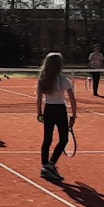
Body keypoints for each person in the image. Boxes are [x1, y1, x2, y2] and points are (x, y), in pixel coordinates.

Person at [35, 51, 77, 183]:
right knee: (63, 139)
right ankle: (50, 164)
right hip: (60, 111)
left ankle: (45, 166)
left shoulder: (42, 80)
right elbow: (72, 100)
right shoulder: (64, 81)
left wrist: (39, 114)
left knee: (47, 139)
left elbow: (38, 99)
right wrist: (74, 116)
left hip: (48, 110)